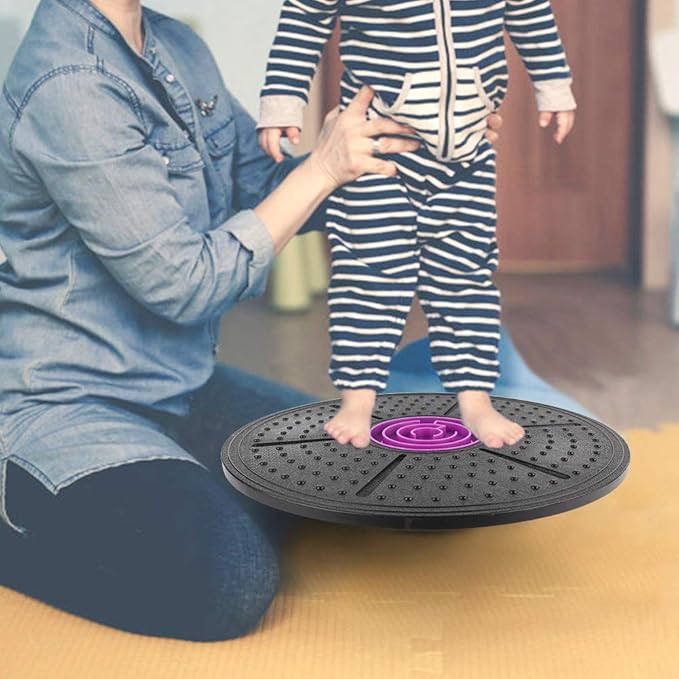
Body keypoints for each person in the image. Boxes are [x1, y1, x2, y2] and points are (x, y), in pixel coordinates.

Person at [0, 0, 503, 642]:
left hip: (180, 386)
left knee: (368, 474)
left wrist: (411, 144)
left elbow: (258, 186)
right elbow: (181, 284)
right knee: (230, 580)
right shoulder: (67, 85)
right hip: (69, 406)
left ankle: (178, 487)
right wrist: (324, 168)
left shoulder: (176, 47)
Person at [258, 0, 577, 449]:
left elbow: (529, 11)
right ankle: (358, 399)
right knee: (371, 273)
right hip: (379, 150)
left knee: (465, 277)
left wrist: (554, 85)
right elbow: (305, 15)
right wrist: (282, 103)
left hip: (466, 156)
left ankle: (475, 400)